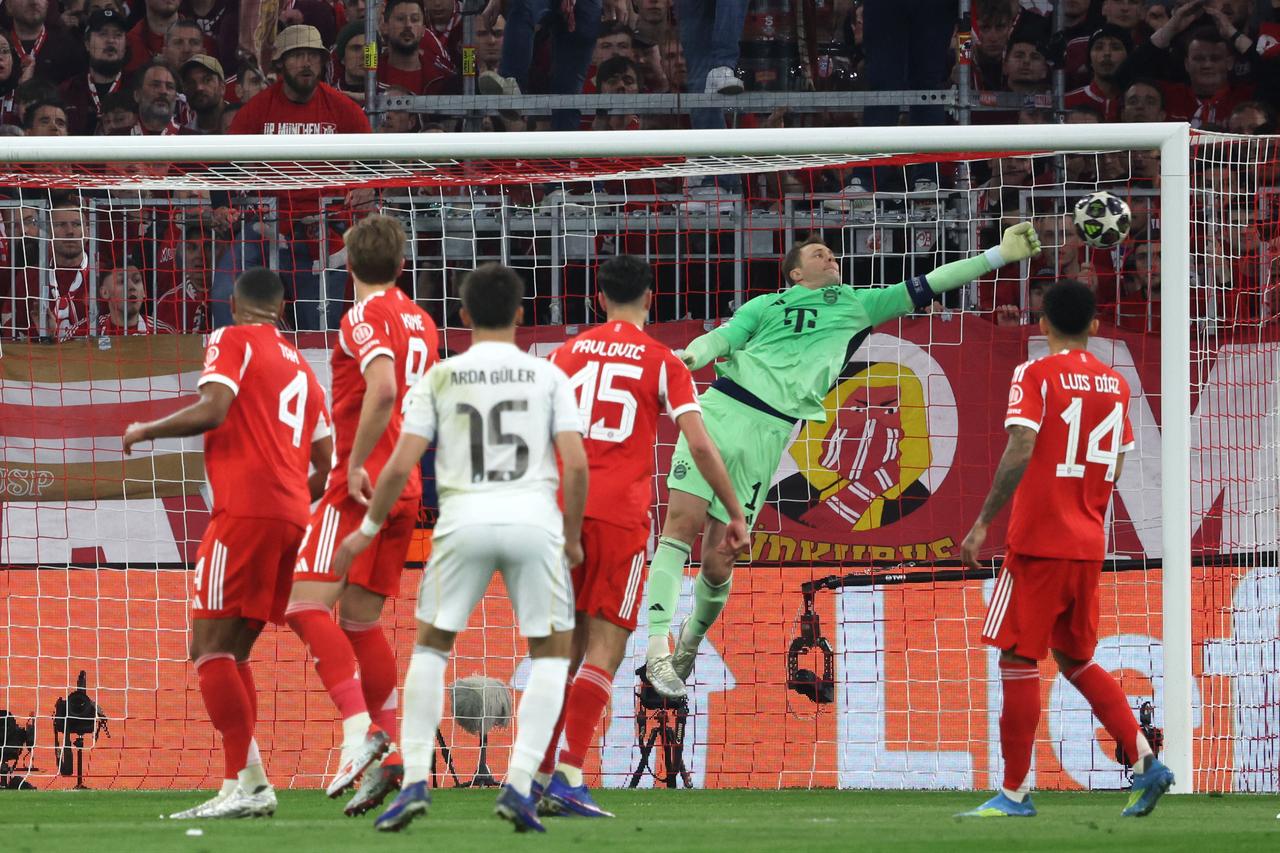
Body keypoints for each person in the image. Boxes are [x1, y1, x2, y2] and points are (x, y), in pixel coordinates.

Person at [640, 221, 1044, 700]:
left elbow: (932, 281)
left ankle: (688, 645)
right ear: (794, 273)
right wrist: (692, 355)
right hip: (720, 410)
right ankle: (657, 650)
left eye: (833, 254)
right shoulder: (765, 306)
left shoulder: (856, 304)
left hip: (768, 434)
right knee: (678, 529)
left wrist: (998, 255)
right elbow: (724, 338)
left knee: (718, 559)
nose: (831, 258)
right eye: (818, 254)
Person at [335, 263, 587, 833]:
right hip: (532, 521)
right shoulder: (548, 375)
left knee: (430, 649)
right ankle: (520, 785)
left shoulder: (442, 376)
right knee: (551, 655)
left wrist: (367, 529)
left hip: (464, 521)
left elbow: (399, 462)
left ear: (464, 315)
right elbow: (575, 464)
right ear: (520, 314)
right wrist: (571, 537)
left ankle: (415, 780)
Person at [533, 255, 749, 817]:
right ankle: (568, 776)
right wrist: (733, 510)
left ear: (598, 298)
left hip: (559, 512)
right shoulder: (661, 361)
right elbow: (699, 444)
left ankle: (536, 773)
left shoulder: (562, 355)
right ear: (651, 297)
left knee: (563, 651)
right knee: (605, 649)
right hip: (617, 518)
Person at [957, 279, 1175, 818]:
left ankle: (1013, 793)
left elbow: (1022, 444)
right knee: (1075, 658)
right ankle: (1146, 761)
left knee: (1017, 655)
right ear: (1095, 327)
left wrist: (982, 523)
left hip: (1038, 540)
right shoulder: (1115, 384)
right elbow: (1116, 463)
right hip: (1087, 541)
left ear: (1043, 324)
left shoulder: (1034, 373)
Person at [122, 266, 332, 819]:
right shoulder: (303, 368)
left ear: (234, 306)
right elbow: (328, 464)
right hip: (291, 517)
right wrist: (290, 497)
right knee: (234, 652)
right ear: (282, 309)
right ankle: (241, 784)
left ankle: (251, 786)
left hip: (244, 512)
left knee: (207, 648)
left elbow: (214, 408)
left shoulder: (231, 338)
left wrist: (147, 430)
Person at [284, 214, 439, 817]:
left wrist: (351, 465)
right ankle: (393, 752)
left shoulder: (361, 316)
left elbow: (383, 389)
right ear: (402, 265)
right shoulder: (422, 320)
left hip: (362, 483)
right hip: (406, 486)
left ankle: (360, 732)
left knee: (302, 604)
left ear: (347, 264)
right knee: (360, 623)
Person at [221, 24, 372, 332]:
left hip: (324, 232)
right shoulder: (259, 108)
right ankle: (232, 352)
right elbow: (223, 162)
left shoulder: (342, 108)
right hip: (266, 227)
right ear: (280, 64)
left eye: (313, 56)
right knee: (226, 289)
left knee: (317, 329)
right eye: (297, 56)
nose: (306, 63)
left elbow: (377, 160)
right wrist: (220, 204)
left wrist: (368, 188)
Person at [60, 7, 128, 135]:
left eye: (118, 35)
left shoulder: (136, 89)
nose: (111, 40)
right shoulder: (67, 90)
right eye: (103, 34)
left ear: (125, 46)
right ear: (87, 43)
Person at [72, 263, 175, 336]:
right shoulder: (83, 330)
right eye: (121, 281)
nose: (132, 286)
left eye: (137, 280)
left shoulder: (164, 333)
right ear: (104, 292)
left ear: (144, 292)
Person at [1064, 25, 1130, 121]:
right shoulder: (1067, 102)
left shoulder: (1138, 103)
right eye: (1099, 47)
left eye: (1115, 48)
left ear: (1128, 57)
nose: (1107, 53)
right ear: (1089, 60)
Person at [181, 53, 226, 131]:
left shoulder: (244, 123)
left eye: (207, 80)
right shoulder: (184, 135)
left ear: (222, 87)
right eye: (191, 83)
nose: (199, 88)